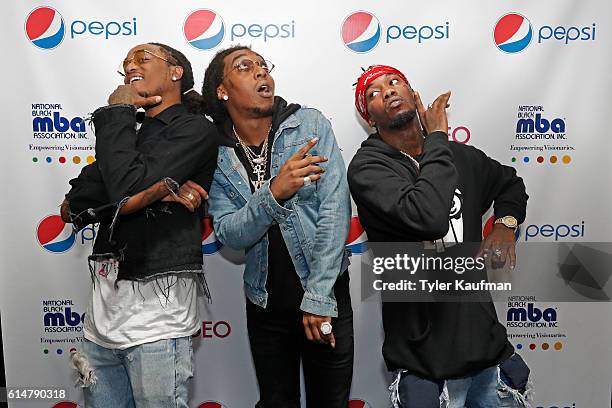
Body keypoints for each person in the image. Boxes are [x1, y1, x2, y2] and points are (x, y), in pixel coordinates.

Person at [347, 65, 531, 407]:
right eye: (373, 93)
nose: (387, 91)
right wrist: (437, 140)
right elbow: (428, 217)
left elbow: (510, 183)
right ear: (369, 118)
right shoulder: (368, 168)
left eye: (394, 82)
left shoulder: (460, 157)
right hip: (425, 362)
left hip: (487, 350)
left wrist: (505, 224)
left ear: (414, 97)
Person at [61, 43, 217, 408]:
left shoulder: (194, 130)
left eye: (142, 58)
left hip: (158, 328)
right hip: (99, 327)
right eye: (126, 63)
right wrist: (159, 191)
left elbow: (123, 188)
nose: (130, 65)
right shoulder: (127, 135)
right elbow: (72, 206)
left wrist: (117, 112)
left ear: (176, 71)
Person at [202, 45, 353, 407]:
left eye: (263, 66)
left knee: (330, 401)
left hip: (325, 292)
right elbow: (229, 233)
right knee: (276, 401)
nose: (260, 72)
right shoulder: (215, 152)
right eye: (244, 67)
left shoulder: (310, 126)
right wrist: (274, 192)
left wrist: (318, 298)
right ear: (223, 91)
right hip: (265, 304)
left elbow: (335, 210)